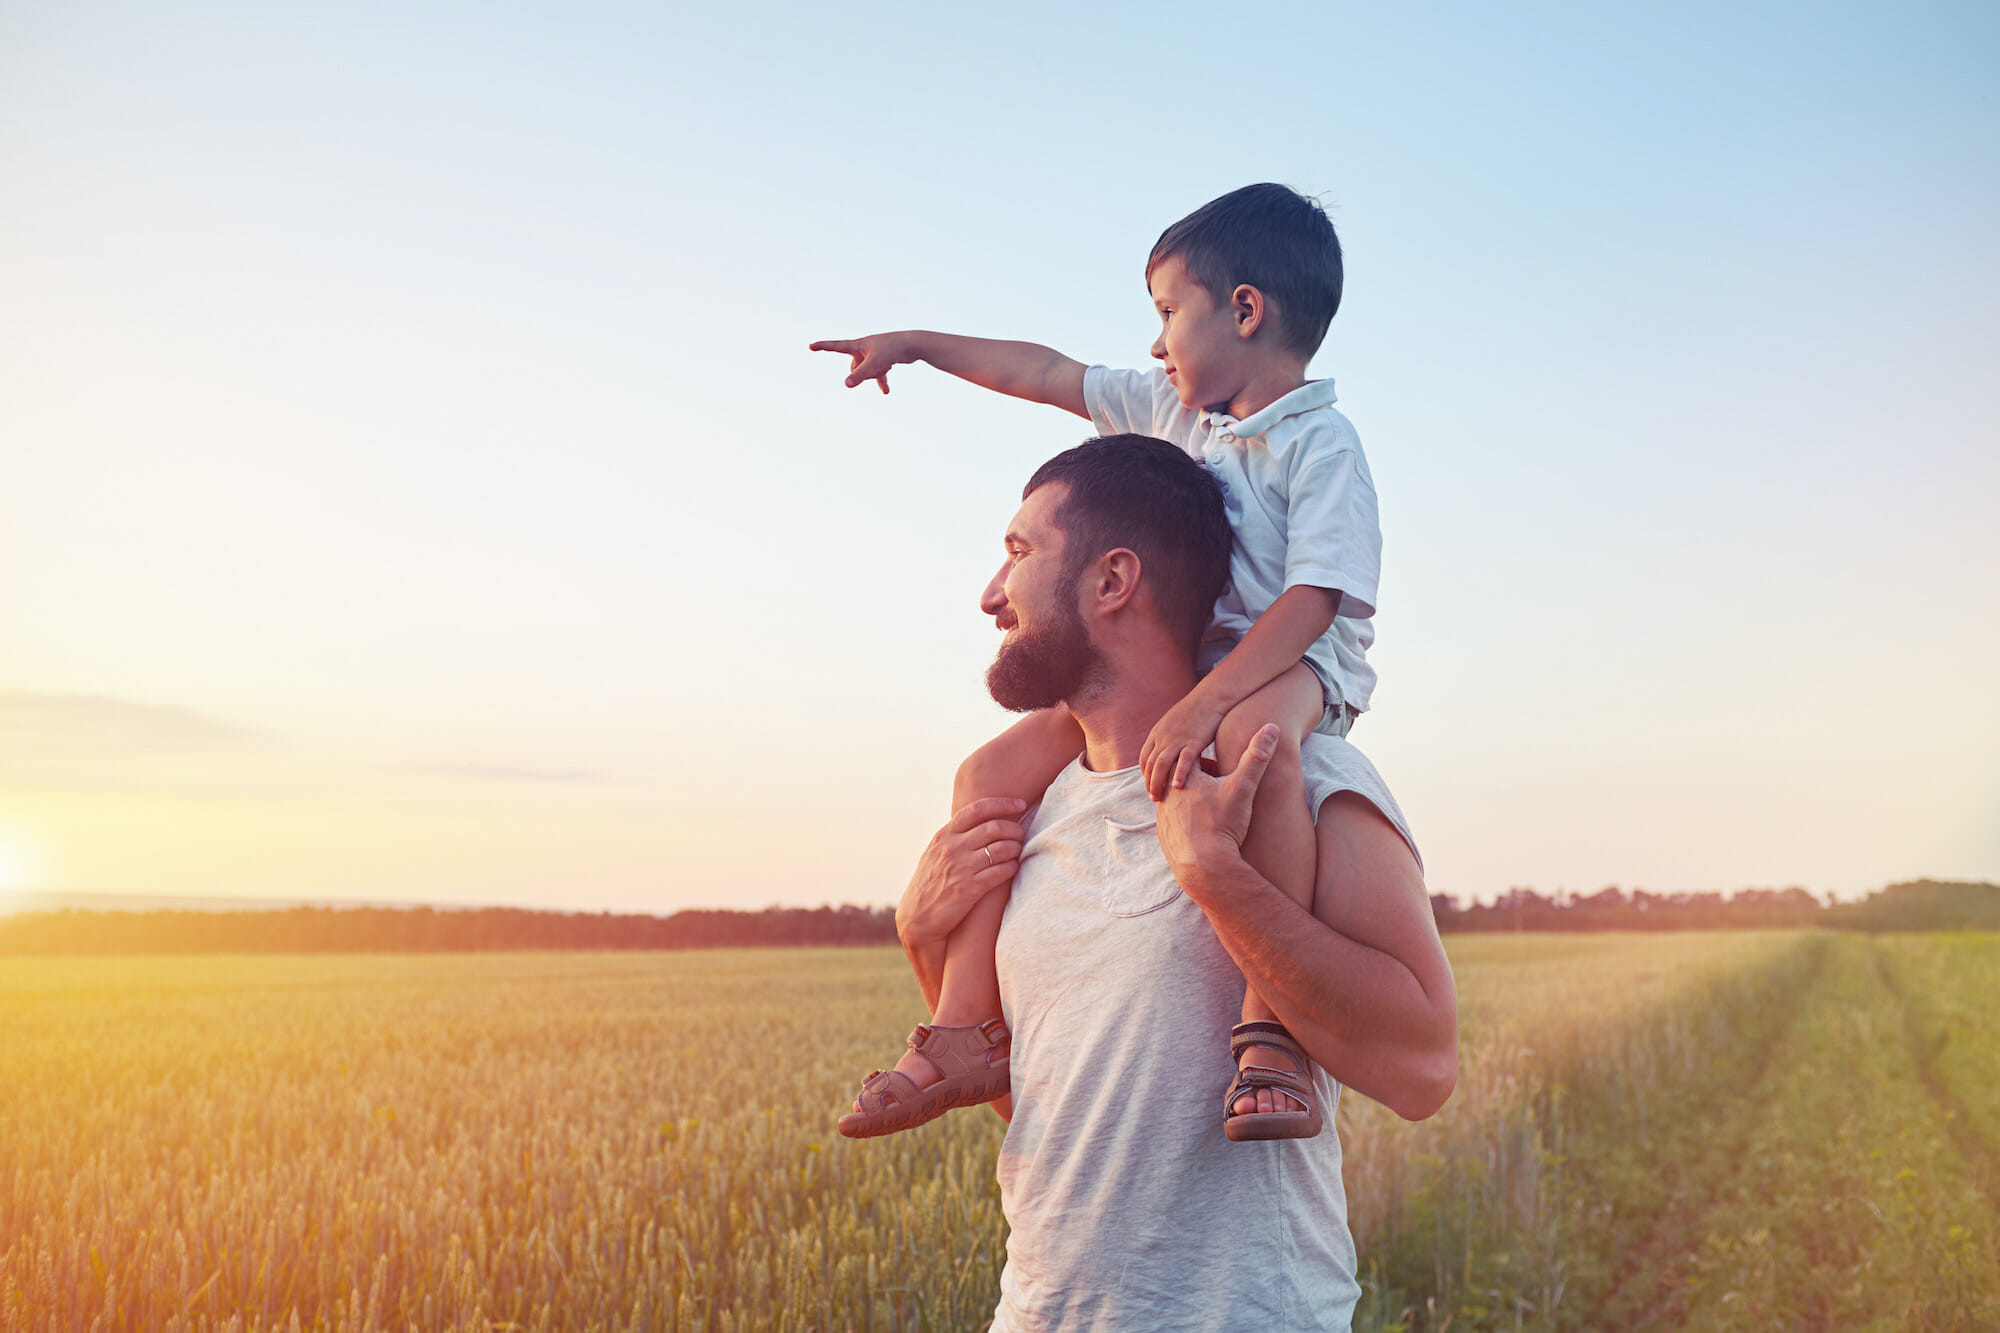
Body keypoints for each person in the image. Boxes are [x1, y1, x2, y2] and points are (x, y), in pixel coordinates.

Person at [815, 183, 1383, 1140]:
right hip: (1204, 671)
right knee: (989, 770)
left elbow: (1313, 601)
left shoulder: (1321, 443)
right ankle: (963, 1023)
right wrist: (917, 344)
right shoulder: (1175, 412)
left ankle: (1270, 1032)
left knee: (1257, 746)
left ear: (1245, 310)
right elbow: (1042, 371)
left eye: (1168, 313)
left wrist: (1208, 703)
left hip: (1296, 665)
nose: (1155, 345)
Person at [897, 435, 1456, 1330]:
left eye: (1018, 552)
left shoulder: (1305, 780)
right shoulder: (1025, 810)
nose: (990, 594)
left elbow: (1424, 1069)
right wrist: (923, 942)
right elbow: (1043, 1107)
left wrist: (1219, 879)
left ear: (1113, 580)